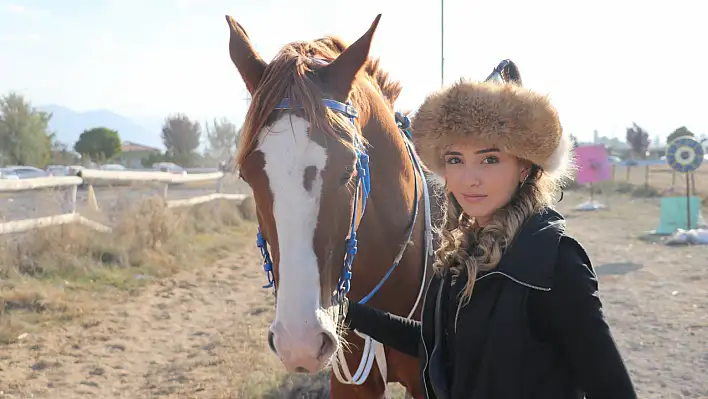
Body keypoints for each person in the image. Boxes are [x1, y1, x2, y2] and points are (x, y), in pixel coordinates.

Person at [342, 79, 637, 399]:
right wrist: (349, 312)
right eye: (455, 159)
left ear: (524, 167)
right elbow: (440, 344)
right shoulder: (461, 254)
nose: (470, 179)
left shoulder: (555, 262)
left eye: (490, 159)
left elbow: (612, 388)